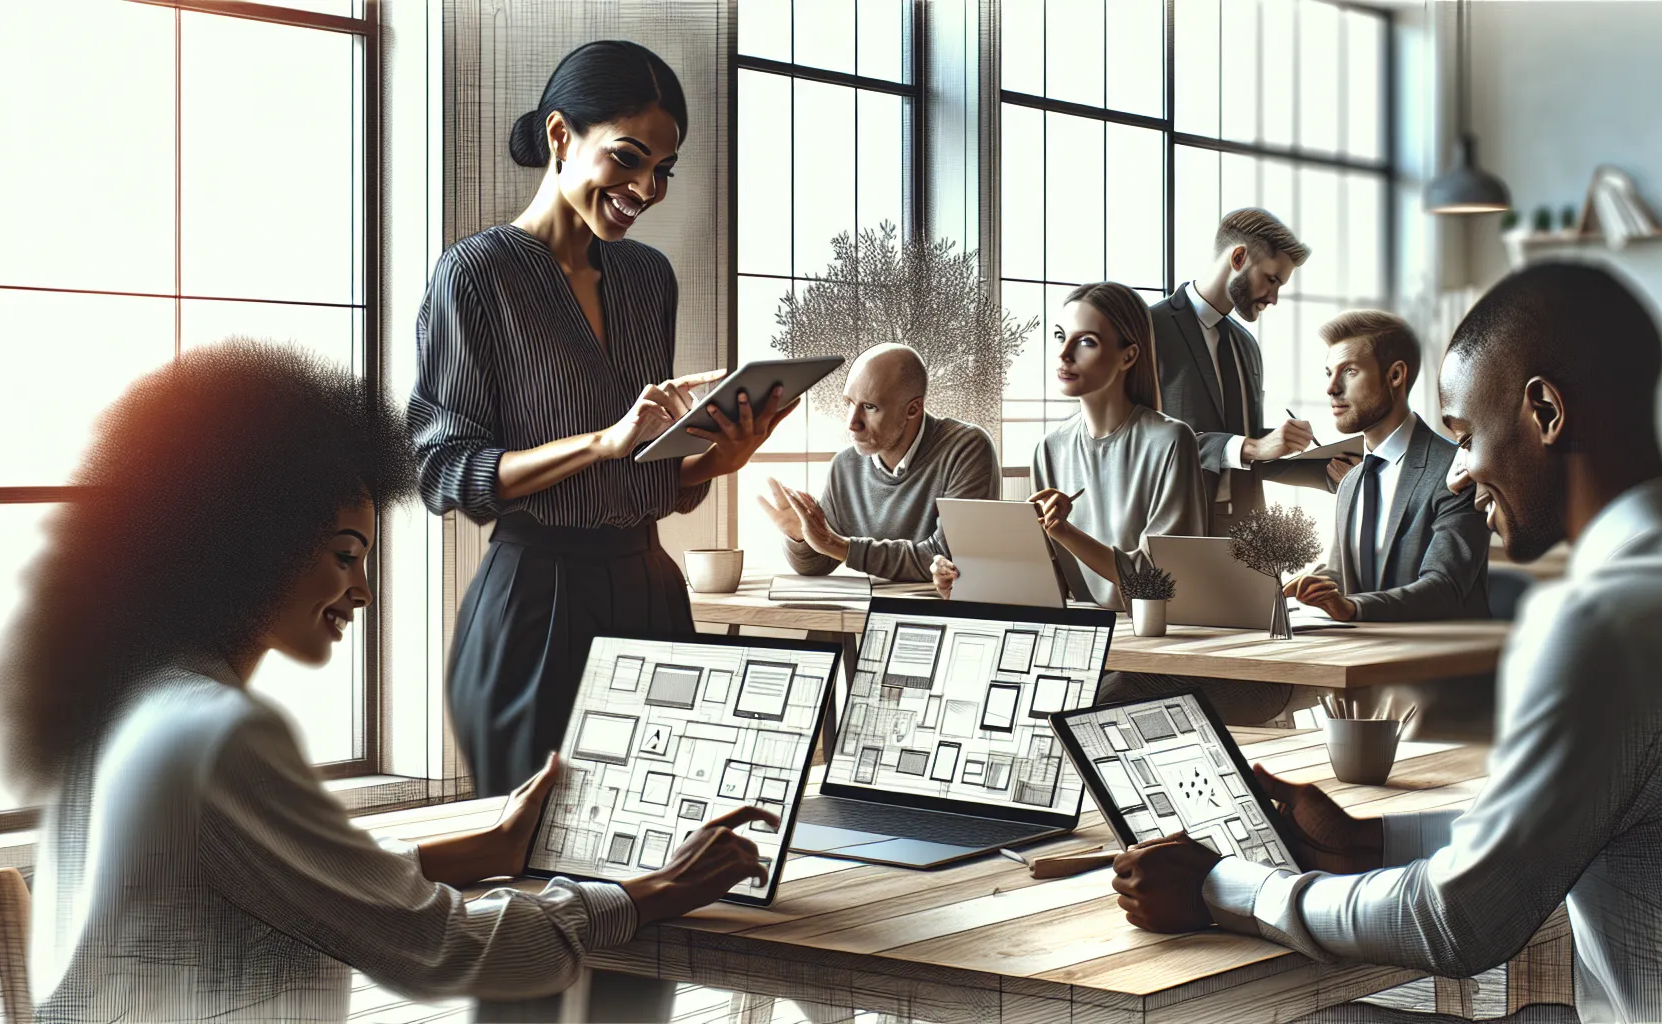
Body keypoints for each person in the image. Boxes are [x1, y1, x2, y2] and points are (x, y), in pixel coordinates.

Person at [0, 341, 777, 1024]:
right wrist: (655, 892)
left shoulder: (133, 699)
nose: (364, 591)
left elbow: (306, 877)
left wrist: (487, 848)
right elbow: (443, 948)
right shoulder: (220, 733)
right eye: (345, 556)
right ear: (250, 545)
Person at [1110, 263, 1662, 1024]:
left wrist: (1226, 888)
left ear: (1545, 411)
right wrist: (1372, 838)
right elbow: (1584, 815)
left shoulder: (1606, 619)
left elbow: (1460, 921)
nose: (1456, 476)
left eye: (1466, 435)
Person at [408, 41, 794, 800]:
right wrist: (604, 441)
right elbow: (444, 471)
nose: (647, 188)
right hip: (535, 603)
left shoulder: (649, 277)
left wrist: (715, 461)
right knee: (540, 869)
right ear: (560, 136)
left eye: (662, 171)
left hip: (651, 589)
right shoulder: (475, 275)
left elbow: (649, 479)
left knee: (669, 846)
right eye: (628, 158)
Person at [934, 281, 1203, 610]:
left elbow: (1159, 578)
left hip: (1152, 640)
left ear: (1128, 356)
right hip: (1077, 634)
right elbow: (1049, 582)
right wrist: (965, 582)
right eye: (1060, 336)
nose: (1064, 354)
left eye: (1086, 342)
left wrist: (1063, 530)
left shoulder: (1170, 442)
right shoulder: (1049, 448)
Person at [1149, 208, 1356, 534]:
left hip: (1247, 536)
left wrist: (1325, 471)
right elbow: (1143, 440)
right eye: (1272, 279)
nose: (1273, 297)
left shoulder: (1246, 345)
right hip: (1171, 528)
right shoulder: (1149, 329)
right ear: (1239, 258)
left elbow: (1247, 448)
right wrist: (1254, 446)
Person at [1284, 309, 1490, 622]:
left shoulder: (1456, 470)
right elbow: (1343, 576)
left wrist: (1354, 608)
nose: (1332, 388)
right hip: (1362, 658)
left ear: (1395, 376)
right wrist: (1311, 587)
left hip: (1439, 662)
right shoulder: (1352, 481)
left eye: (1349, 372)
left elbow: (1444, 589)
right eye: (1329, 373)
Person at [757, 343, 1000, 582]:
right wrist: (800, 537)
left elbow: (947, 559)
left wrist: (836, 544)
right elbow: (818, 563)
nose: (852, 423)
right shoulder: (845, 465)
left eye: (870, 407)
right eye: (849, 403)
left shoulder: (966, 448)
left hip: (940, 616)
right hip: (868, 613)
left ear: (913, 409)